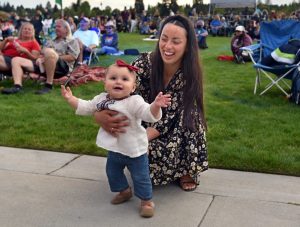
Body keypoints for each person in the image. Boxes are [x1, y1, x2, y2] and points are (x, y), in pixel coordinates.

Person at [94, 15, 208, 191]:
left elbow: (167, 119)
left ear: (187, 46)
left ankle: (186, 169)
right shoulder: (144, 63)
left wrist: (138, 140)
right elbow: (119, 88)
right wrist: (99, 113)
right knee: (146, 168)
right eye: (164, 39)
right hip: (144, 119)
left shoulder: (188, 74)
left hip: (174, 126)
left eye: (176, 41)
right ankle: (161, 164)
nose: (168, 46)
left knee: (192, 117)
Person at [61, 59, 171, 218]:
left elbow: (148, 114)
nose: (118, 82)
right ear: (105, 84)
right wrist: (71, 99)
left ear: (133, 87)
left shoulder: (134, 101)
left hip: (135, 151)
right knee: (112, 171)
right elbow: (86, 107)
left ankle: (146, 201)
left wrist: (156, 105)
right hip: (115, 148)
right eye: (113, 78)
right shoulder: (101, 99)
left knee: (141, 177)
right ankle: (124, 191)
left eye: (125, 79)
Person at [2, 19, 80, 95]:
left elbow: (72, 57)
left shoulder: (72, 41)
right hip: (42, 65)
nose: (56, 28)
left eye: (58, 27)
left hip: (62, 67)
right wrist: (40, 58)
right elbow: (40, 53)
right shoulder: (50, 41)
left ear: (66, 29)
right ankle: (17, 87)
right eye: (55, 27)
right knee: (16, 60)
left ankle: (48, 85)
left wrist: (52, 57)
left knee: (49, 52)